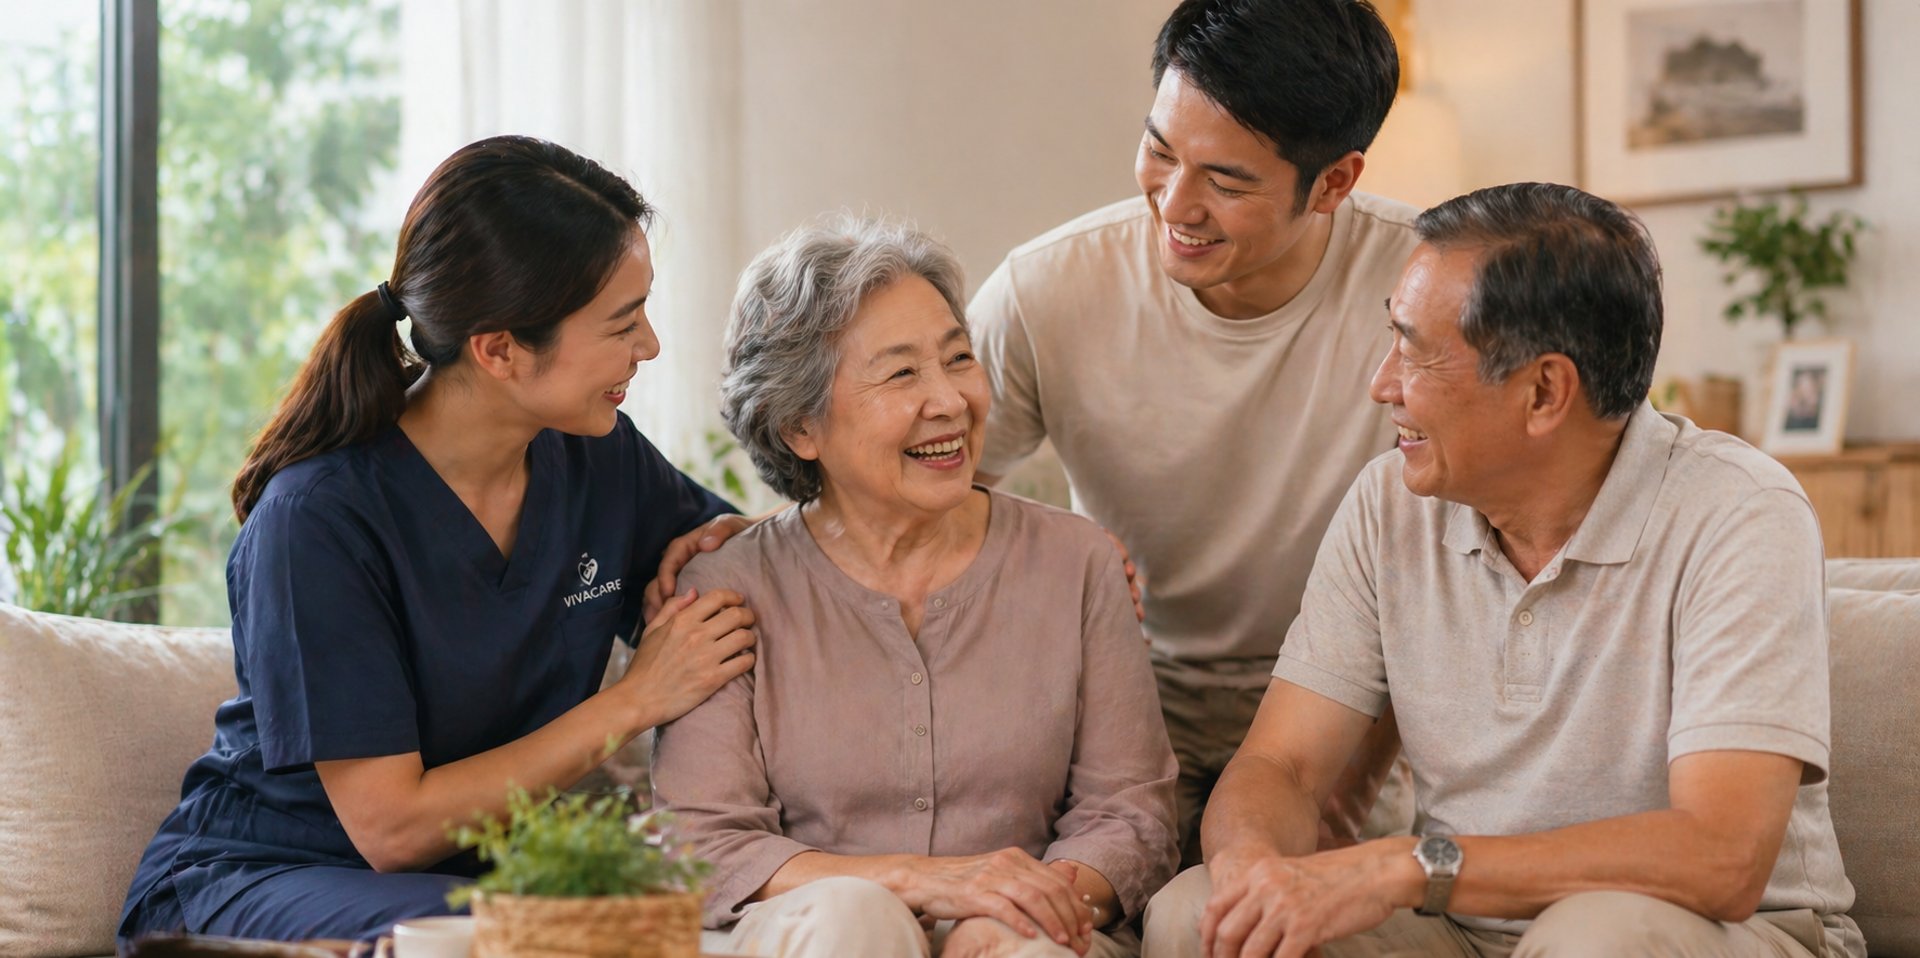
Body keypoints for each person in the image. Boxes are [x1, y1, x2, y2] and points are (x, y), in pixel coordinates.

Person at [1142, 182, 1865, 958]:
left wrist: (1410, 865)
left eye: (1415, 350)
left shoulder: (1739, 512)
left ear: (1544, 391)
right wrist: (1255, 870)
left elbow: (1721, 857)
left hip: (1728, 932)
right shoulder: (1391, 503)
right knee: (1201, 910)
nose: (1382, 384)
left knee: (1594, 939)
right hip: (1460, 930)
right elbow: (1281, 763)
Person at [117, 135, 759, 944]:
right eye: (622, 323)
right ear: (499, 350)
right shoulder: (315, 521)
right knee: (547, 938)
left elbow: (736, 557)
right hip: (265, 881)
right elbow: (393, 831)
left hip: (470, 888)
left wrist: (723, 547)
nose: (651, 346)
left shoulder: (599, 457)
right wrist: (634, 701)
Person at [964, 0, 1420, 867]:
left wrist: (1354, 787)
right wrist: (1045, 558)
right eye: (1160, 151)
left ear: (1333, 182)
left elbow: (1475, 542)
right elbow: (914, 487)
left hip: (1343, 700)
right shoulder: (1048, 288)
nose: (1175, 204)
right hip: (1120, 692)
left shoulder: (1420, 283)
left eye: (1228, 180)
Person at [650, 220, 1180, 958]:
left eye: (958, 360)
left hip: (1037, 934)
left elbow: (1130, 815)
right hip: (823, 935)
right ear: (800, 425)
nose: (950, 400)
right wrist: (928, 884)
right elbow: (705, 843)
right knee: (852, 923)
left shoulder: (1077, 562)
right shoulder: (727, 591)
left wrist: (1021, 907)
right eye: (901, 374)